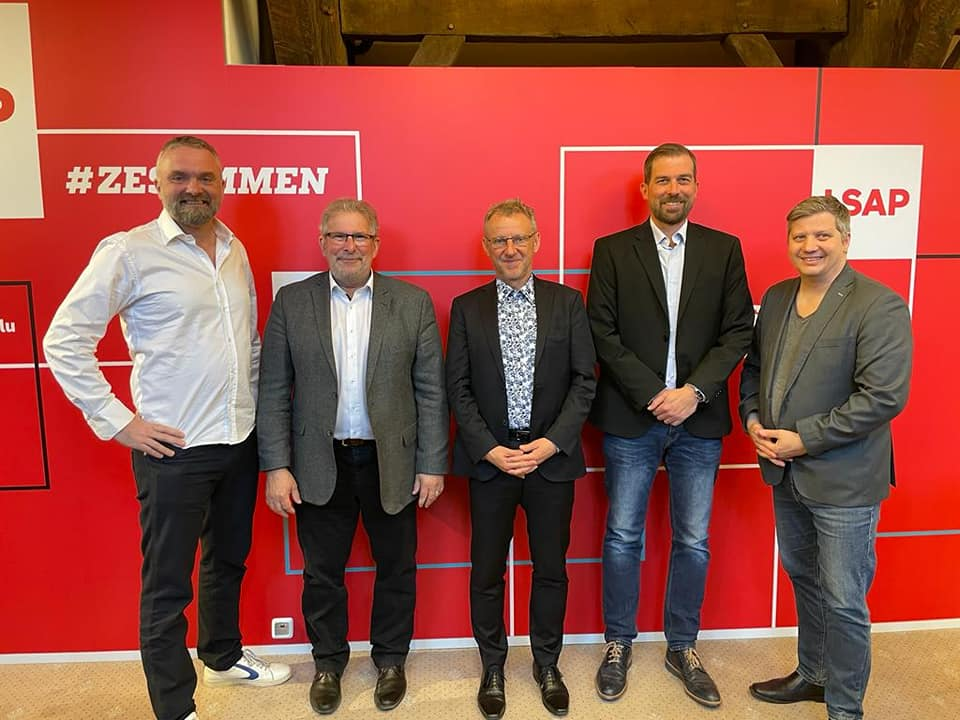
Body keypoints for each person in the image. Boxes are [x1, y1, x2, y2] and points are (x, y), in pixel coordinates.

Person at [43, 136, 290, 720]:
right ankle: (175, 707)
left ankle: (223, 657)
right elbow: (64, 340)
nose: (193, 188)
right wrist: (119, 422)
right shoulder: (128, 251)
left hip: (237, 439)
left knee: (227, 561)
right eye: (180, 177)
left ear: (221, 185)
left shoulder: (233, 248)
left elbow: (248, 346)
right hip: (173, 449)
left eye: (205, 178)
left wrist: (257, 421)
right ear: (157, 183)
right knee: (168, 584)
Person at [256, 198, 448, 715]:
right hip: (319, 462)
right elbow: (273, 390)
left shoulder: (412, 303)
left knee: (397, 568)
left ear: (375, 244)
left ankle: (391, 661)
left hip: (393, 462)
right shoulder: (292, 302)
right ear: (322, 243)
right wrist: (276, 466)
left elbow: (431, 392)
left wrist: (432, 463)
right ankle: (327, 663)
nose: (349, 246)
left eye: (359, 236)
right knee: (322, 573)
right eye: (338, 236)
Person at [586, 142, 754, 707]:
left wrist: (694, 393)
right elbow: (602, 331)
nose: (673, 189)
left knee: (693, 540)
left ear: (696, 187)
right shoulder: (612, 250)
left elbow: (738, 330)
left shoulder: (724, 250)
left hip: (698, 420)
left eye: (683, 179)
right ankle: (618, 643)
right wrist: (655, 394)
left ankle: (683, 647)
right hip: (631, 416)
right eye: (663, 180)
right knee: (622, 536)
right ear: (645, 188)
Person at [739, 195, 912, 720]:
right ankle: (813, 675)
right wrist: (753, 419)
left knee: (843, 598)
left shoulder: (878, 304)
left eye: (822, 236)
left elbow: (883, 397)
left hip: (844, 479)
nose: (810, 246)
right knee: (804, 578)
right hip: (783, 472)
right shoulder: (776, 298)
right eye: (800, 237)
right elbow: (755, 370)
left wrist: (804, 438)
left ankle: (844, 708)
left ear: (845, 240)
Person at [446, 199, 596, 719]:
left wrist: (551, 442)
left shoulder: (567, 303)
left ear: (536, 242)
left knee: (551, 569)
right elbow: (458, 387)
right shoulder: (466, 308)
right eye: (499, 240)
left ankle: (547, 664)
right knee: (486, 572)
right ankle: (493, 667)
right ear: (486, 247)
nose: (510, 248)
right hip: (491, 462)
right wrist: (489, 449)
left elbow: (584, 382)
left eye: (519, 238)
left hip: (549, 459)